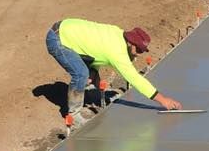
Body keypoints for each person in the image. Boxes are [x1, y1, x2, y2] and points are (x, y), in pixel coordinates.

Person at [46, 19, 182, 126]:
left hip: (67, 28)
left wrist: (92, 75)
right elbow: (135, 79)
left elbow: (96, 53)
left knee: (89, 74)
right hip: (58, 40)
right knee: (81, 74)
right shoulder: (116, 52)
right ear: (131, 44)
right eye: (138, 51)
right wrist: (163, 100)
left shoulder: (117, 34)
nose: (139, 55)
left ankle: (90, 95)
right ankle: (73, 115)